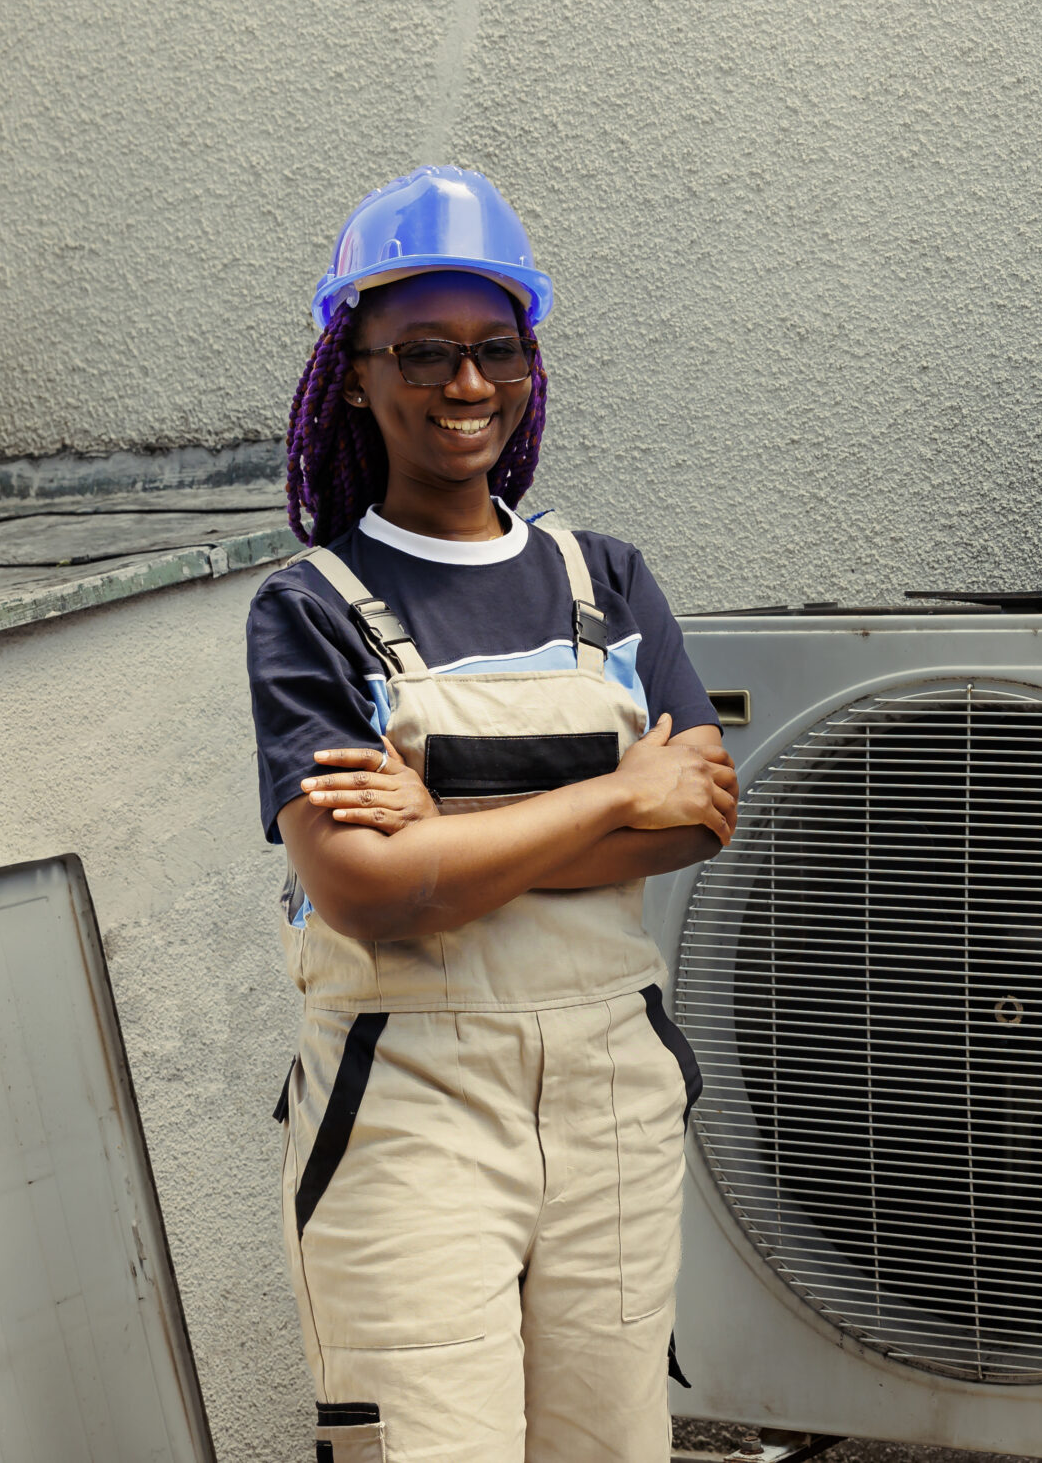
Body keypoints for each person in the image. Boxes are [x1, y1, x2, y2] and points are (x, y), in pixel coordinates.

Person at [245, 165, 737, 1463]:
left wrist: (451, 835)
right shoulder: (309, 610)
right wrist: (619, 789)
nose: (466, 385)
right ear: (353, 369)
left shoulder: (606, 578)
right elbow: (367, 894)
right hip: (409, 1099)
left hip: (611, 1098)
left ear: (526, 361)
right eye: (422, 351)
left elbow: (703, 817)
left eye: (494, 349)